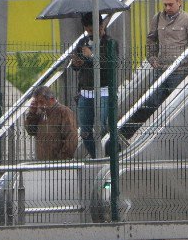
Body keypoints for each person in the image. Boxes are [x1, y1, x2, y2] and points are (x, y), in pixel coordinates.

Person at [145, 0, 188, 115]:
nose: (167, 8)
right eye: (165, 5)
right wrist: (152, 58)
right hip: (160, 68)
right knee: (153, 102)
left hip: (179, 70)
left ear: (179, 2)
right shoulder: (158, 18)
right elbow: (151, 39)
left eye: (170, 4)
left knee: (176, 104)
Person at [70, 13, 117, 157]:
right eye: (88, 31)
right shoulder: (82, 43)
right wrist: (76, 63)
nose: (90, 34)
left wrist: (91, 57)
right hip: (85, 92)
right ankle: (96, 157)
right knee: (85, 131)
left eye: (92, 30)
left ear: (101, 26)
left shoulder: (110, 43)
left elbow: (111, 65)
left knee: (102, 127)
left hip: (104, 91)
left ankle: (109, 155)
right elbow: (76, 66)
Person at [23, 85, 79, 161]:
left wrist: (61, 160)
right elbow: (31, 131)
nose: (39, 105)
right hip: (42, 163)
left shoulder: (64, 112)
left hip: (59, 165)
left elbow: (71, 138)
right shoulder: (41, 113)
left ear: (51, 99)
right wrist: (32, 113)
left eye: (41, 102)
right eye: (37, 102)